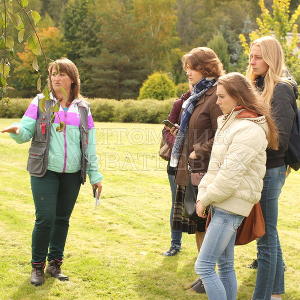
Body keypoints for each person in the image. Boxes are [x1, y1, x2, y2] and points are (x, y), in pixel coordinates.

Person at [1, 58, 103, 286]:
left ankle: (55, 265)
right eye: (53, 74)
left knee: (61, 219)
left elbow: (90, 145)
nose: (56, 78)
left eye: (61, 74)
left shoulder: (83, 108)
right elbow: (26, 130)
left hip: (72, 174)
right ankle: (37, 267)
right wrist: (16, 131)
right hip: (44, 170)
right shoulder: (41, 102)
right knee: (45, 218)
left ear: (72, 79)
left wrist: (95, 176)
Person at [194, 72, 279, 300]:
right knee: (225, 266)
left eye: (222, 97)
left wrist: (207, 198)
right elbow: (215, 169)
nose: (218, 102)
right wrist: (204, 194)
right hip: (222, 203)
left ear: (237, 97)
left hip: (229, 206)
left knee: (203, 267)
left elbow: (230, 176)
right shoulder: (232, 123)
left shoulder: (248, 129)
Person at [247, 36, 298, 300]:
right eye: (251, 56)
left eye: (257, 56)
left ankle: (265, 296)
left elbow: (280, 138)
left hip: (272, 168)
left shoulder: (281, 89)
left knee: (265, 234)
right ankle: (276, 293)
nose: (251, 61)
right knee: (269, 230)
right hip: (259, 167)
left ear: (271, 58)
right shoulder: (257, 84)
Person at [169, 47, 223, 292]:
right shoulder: (197, 95)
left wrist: (199, 149)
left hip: (208, 170)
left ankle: (211, 276)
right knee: (197, 223)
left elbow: (223, 133)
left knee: (209, 224)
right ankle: (205, 275)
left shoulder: (216, 95)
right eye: (187, 68)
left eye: (191, 68)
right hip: (191, 169)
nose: (187, 73)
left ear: (206, 68)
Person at [162, 87, 191, 257]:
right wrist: (177, 144)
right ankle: (175, 243)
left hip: (197, 161)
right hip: (176, 161)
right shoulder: (179, 103)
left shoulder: (209, 99)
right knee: (176, 203)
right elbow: (166, 130)